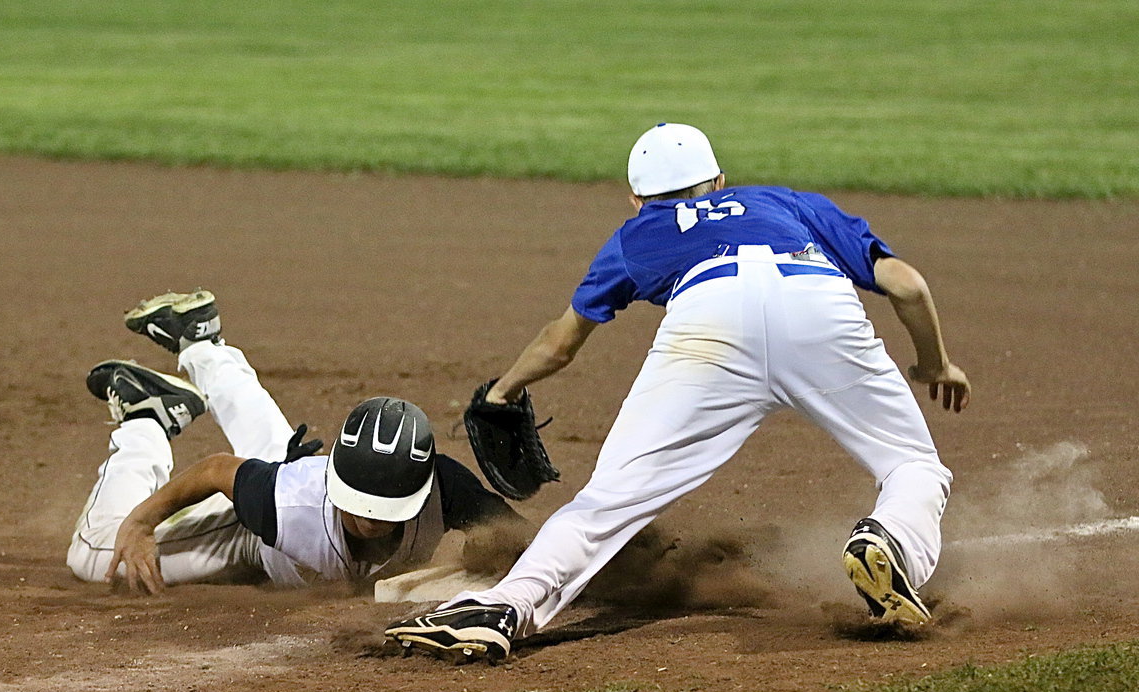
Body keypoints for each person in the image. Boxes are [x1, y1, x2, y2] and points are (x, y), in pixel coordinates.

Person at [385, 123, 970, 662]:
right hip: (818, 305)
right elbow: (907, 285)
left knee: (608, 502)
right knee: (912, 465)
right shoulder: (788, 203)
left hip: (708, 326)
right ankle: (890, 543)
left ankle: (504, 607)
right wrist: (935, 364)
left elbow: (560, 343)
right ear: (719, 181)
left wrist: (505, 390)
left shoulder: (637, 233)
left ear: (636, 199)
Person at [67, 290, 523, 594]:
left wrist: (493, 552)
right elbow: (215, 470)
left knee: (274, 460)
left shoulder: (446, 490)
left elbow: (519, 543)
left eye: (382, 508)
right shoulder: (289, 505)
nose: (369, 519)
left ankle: (200, 343)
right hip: (251, 537)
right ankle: (148, 417)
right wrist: (142, 524)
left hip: (287, 478)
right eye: (360, 503)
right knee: (95, 560)